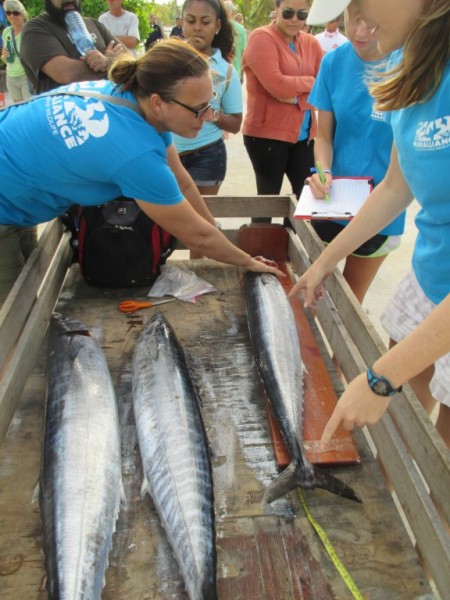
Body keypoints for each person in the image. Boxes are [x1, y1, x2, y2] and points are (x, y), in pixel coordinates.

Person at [291, 0, 450, 448]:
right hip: (430, 273)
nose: (354, 20)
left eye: (361, 1)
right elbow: (396, 187)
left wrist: (382, 378)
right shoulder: (411, 65)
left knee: (441, 450)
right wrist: (326, 260)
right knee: (406, 426)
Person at [0, 40, 282, 287]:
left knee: (26, 286)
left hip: (15, 186)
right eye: (199, 110)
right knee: (11, 317)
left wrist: (217, 233)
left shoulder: (133, 97)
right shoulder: (135, 154)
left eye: (210, 105)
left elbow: (182, 181)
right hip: (5, 201)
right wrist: (246, 262)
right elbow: (198, 238)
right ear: (159, 102)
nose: (209, 117)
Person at [307, 3, 405, 304]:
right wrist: (323, 171)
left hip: (381, 210)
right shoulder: (333, 63)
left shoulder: (409, 67)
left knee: (347, 305)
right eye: (354, 19)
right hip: (332, 200)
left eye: (372, 23)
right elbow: (323, 135)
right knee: (313, 294)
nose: (360, 32)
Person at [242, 0, 323, 222]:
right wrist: (310, 82)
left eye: (302, 14)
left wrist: (295, 96)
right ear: (276, 10)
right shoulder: (261, 38)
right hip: (266, 136)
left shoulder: (311, 43)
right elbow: (276, 84)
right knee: (267, 203)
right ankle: (259, 255)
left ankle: (290, 253)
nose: (295, 20)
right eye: (288, 13)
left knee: (306, 200)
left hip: (304, 136)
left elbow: (325, 86)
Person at [172, 0, 242, 196]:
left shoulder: (226, 72)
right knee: (166, 221)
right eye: (191, 20)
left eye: (205, 22)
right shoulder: (166, 61)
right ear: (182, 23)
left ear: (217, 26)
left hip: (208, 155)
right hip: (165, 153)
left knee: (201, 219)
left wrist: (213, 114)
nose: (197, 28)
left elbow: (236, 124)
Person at [20, 0, 126, 94]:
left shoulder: (94, 24)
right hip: (63, 114)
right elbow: (65, 73)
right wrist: (112, 65)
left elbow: (130, 59)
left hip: (106, 109)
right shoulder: (35, 29)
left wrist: (107, 62)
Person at [1, 0, 31, 102]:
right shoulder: (6, 32)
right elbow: (5, 59)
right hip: (11, 76)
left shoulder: (29, 31)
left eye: (15, 13)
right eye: (8, 13)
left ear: (22, 14)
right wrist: (4, 56)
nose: (12, 16)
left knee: (29, 106)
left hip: (26, 76)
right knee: (18, 109)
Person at [224, 0, 246, 82]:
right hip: (236, 74)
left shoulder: (217, 27)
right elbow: (243, 54)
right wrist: (242, 74)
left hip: (220, 75)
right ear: (232, 13)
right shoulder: (241, 29)